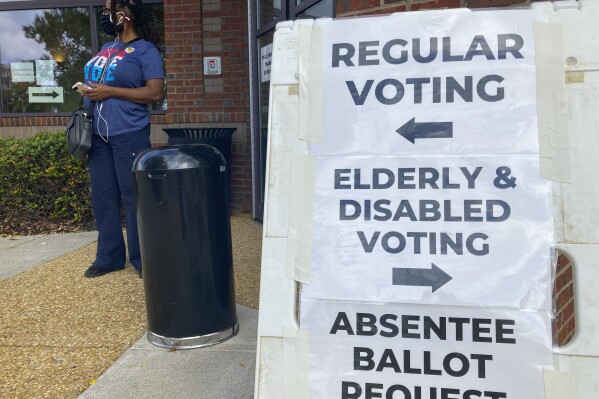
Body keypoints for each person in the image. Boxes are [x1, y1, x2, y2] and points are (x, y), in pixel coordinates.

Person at [79, 0, 164, 278]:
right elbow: (99, 87)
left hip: (128, 133)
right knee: (103, 199)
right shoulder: (106, 49)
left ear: (124, 14)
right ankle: (109, 257)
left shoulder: (145, 51)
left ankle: (144, 259)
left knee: (134, 198)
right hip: (98, 135)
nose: (104, 15)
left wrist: (110, 92)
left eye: (107, 10)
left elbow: (154, 94)